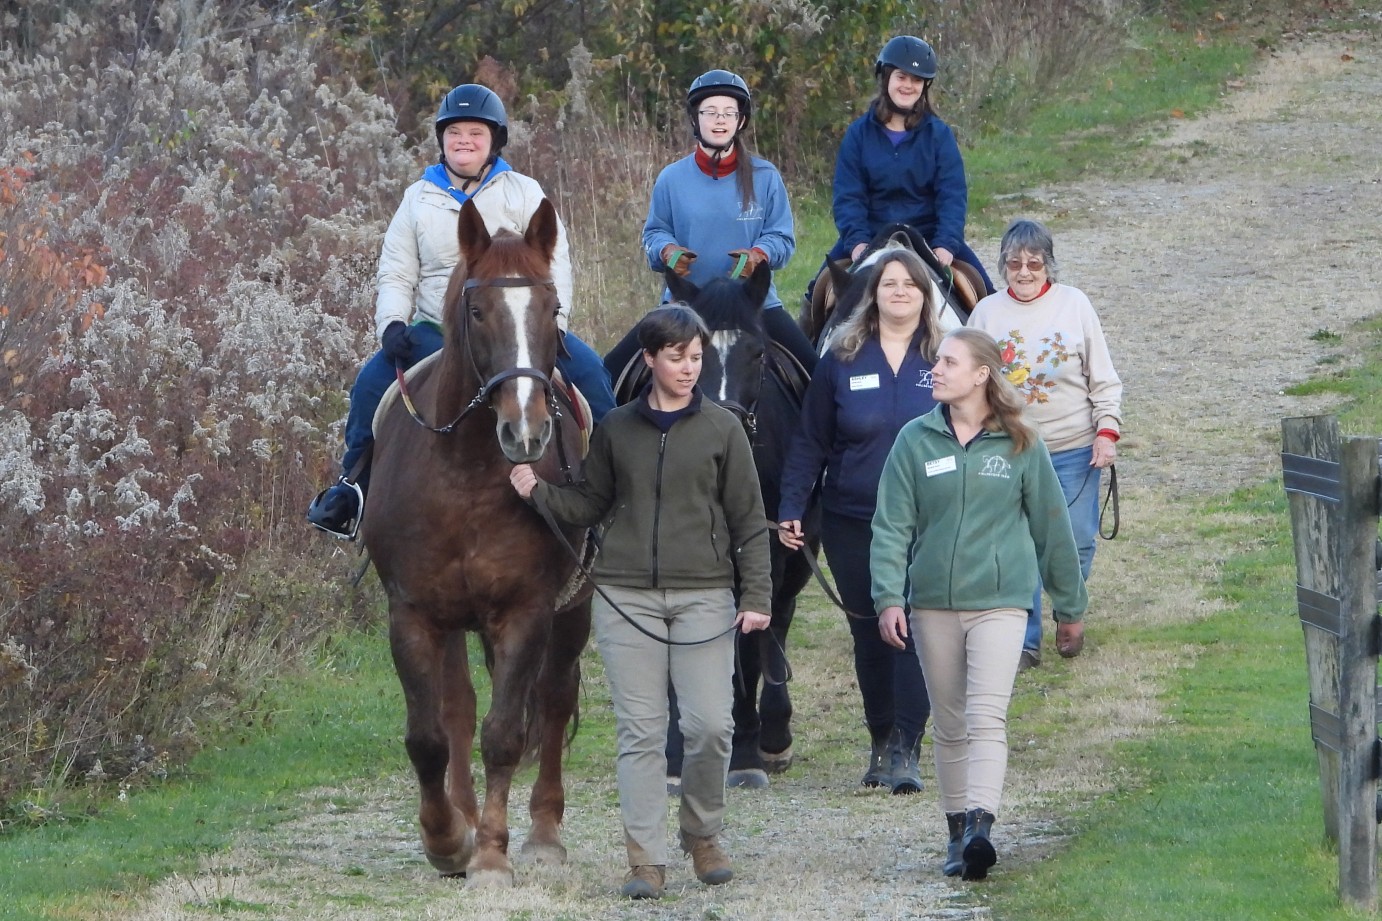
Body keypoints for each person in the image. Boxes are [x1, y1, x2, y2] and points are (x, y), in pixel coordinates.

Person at [510, 304, 772, 901]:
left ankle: (702, 836)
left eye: (696, 357)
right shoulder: (617, 430)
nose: (689, 367)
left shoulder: (723, 429)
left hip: (705, 595)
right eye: (677, 357)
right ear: (650, 359)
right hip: (627, 598)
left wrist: (756, 594)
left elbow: (750, 522)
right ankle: (645, 860)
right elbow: (588, 505)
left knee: (710, 727)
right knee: (641, 734)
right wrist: (538, 492)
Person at [307, 83, 616, 539]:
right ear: (442, 140)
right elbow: (396, 270)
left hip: (517, 328)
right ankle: (352, 489)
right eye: (455, 132)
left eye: (475, 132)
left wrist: (556, 326)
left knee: (592, 377)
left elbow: (556, 267)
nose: (464, 141)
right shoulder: (417, 198)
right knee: (371, 386)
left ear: (494, 141)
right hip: (438, 328)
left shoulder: (524, 192)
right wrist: (392, 322)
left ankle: (617, 488)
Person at [871, 326, 1087, 881]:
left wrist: (1069, 606)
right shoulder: (913, 441)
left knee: (986, 716)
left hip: (1001, 601)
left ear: (982, 374)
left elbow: (1052, 526)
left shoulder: (1021, 443)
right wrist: (889, 596)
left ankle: (980, 827)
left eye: (947, 362)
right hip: (934, 605)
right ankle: (953, 831)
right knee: (949, 722)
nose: (935, 370)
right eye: (936, 362)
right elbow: (892, 526)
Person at [777, 249, 940, 795]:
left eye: (908, 284)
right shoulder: (841, 359)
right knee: (870, 631)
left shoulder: (945, 359)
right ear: (871, 294)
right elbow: (811, 442)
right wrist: (793, 506)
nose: (898, 292)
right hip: (852, 519)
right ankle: (880, 738)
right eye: (887, 283)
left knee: (913, 629)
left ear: (924, 294)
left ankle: (908, 748)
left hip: (928, 522)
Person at [967, 218, 1122, 669]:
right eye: (1014, 263)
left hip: (1074, 447)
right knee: (1019, 545)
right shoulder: (986, 314)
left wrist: (1106, 431)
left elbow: (1104, 378)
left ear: (1048, 265)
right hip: (1010, 448)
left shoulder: (1075, 305)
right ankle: (1025, 640)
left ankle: (1069, 612)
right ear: (1003, 266)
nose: (1024, 271)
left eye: (1034, 263)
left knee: (1075, 540)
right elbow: (971, 382)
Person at [603, 69, 817, 382]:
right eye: (711, 112)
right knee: (609, 372)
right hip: (683, 306)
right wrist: (667, 251)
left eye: (729, 113)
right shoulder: (671, 179)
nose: (720, 120)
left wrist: (760, 254)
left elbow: (782, 238)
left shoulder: (766, 177)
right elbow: (654, 234)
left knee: (820, 376)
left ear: (740, 121)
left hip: (753, 306)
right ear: (695, 118)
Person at [828, 36, 994, 293]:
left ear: (924, 86)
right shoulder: (857, 135)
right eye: (901, 77)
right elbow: (848, 195)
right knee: (818, 291)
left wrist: (946, 244)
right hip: (872, 236)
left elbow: (952, 195)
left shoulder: (940, 135)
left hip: (928, 236)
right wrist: (857, 242)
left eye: (916, 80)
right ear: (886, 78)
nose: (908, 86)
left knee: (984, 292)